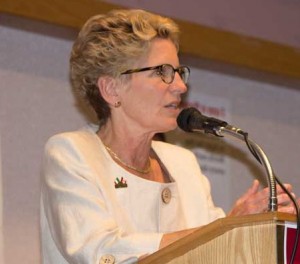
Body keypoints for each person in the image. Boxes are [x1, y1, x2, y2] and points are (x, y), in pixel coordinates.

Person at [40, 9, 298, 264]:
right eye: (162, 72)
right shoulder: (72, 153)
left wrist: (248, 229)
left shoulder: (182, 163)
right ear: (111, 88)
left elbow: (217, 254)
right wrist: (228, 226)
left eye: (178, 72)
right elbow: (100, 251)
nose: (180, 86)